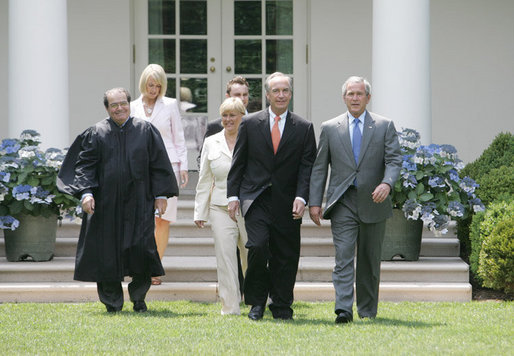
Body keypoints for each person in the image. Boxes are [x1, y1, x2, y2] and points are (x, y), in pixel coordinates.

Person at [57, 87, 178, 313]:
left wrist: (161, 195)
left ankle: (139, 297)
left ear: (129, 105)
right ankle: (112, 303)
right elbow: (84, 167)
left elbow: (159, 164)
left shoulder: (145, 131)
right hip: (105, 204)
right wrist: (86, 193)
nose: (119, 108)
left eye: (123, 103)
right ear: (107, 108)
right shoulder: (96, 133)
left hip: (139, 202)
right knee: (106, 253)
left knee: (142, 249)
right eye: (114, 105)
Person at [308, 76, 402, 323]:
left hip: (374, 201)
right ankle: (343, 310)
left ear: (368, 98)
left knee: (370, 261)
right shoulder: (330, 127)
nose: (355, 98)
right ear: (344, 97)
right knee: (343, 256)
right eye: (351, 94)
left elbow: (394, 161)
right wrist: (315, 202)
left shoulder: (384, 126)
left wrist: (387, 183)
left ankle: (368, 311)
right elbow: (320, 168)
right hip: (343, 202)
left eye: (360, 94)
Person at [227, 72, 317, 321]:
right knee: (256, 247)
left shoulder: (304, 127)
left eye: (285, 90)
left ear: (290, 94)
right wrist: (233, 195)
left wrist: (302, 197)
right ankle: (256, 302)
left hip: (288, 201)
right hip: (256, 199)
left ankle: (281, 304)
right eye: (275, 91)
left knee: (286, 254)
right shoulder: (250, 123)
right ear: (267, 95)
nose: (280, 95)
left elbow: (307, 167)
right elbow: (239, 162)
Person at [131, 64, 188, 285]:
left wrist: (183, 165)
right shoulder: (133, 106)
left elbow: (178, 136)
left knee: (163, 220)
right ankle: (140, 264)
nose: (154, 89)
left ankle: (155, 267)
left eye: (158, 85)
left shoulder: (171, 105)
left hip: (167, 166)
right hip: (139, 169)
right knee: (143, 220)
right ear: (143, 83)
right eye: (150, 84)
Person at [194, 97, 248, 315]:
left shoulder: (251, 139)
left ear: (242, 117)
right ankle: (230, 307)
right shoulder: (211, 141)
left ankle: (256, 302)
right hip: (219, 207)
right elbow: (204, 179)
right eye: (224, 115)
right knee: (225, 259)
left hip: (248, 207)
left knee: (251, 257)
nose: (228, 120)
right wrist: (200, 211)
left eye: (232, 115)